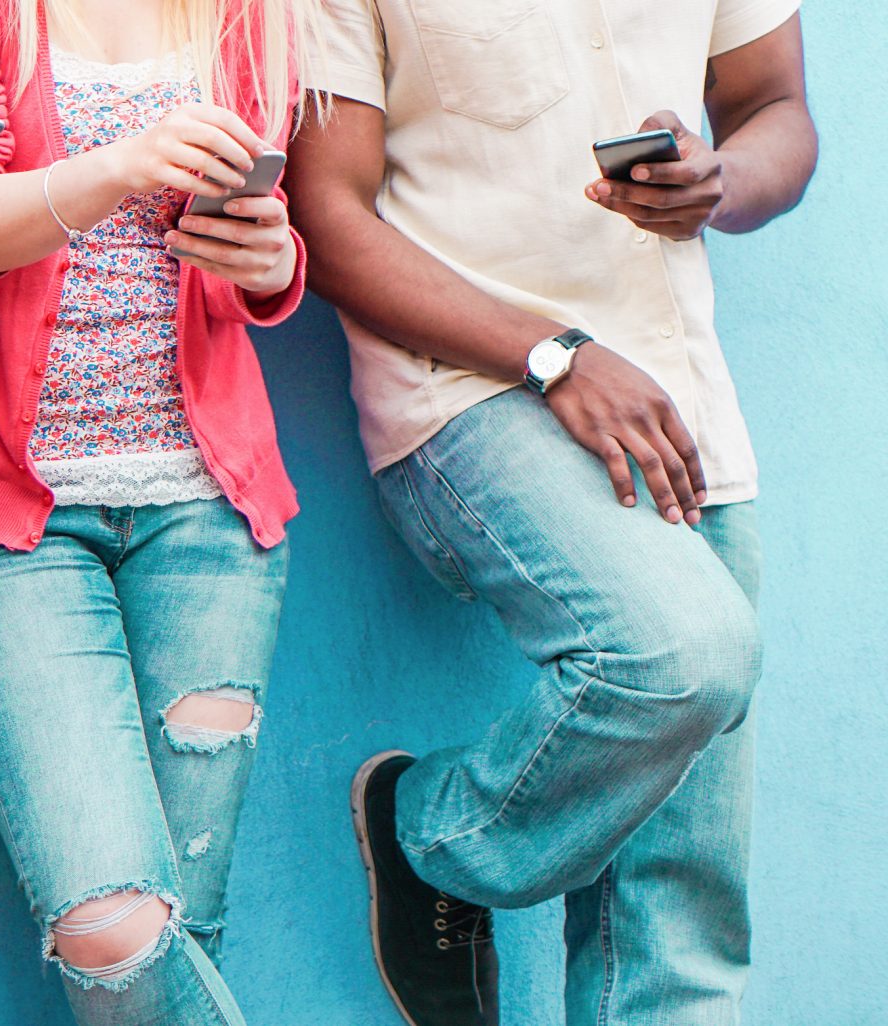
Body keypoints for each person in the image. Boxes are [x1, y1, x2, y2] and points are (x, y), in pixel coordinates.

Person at [291, 0, 815, 1021]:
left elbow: (775, 107)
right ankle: (436, 841)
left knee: (684, 918)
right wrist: (553, 355)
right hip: (470, 390)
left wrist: (720, 178)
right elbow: (328, 217)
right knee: (684, 654)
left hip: (676, 399)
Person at [0, 0, 314, 1021]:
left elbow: (265, 244)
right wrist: (125, 162)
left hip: (209, 511)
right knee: (111, 929)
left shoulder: (245, 15)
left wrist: (271, 260)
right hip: (6, 520)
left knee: (187, 925)